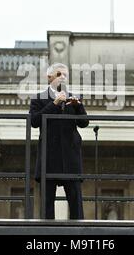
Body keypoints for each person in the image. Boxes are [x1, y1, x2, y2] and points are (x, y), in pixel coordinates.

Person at [29, 63, 89, 219]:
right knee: (47, 203)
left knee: (75, 202)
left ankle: (79, 234)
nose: (62, 77)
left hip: (70, 156)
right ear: (49, 78)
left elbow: (84, 123)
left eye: (65, 75)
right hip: (49, 156)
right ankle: (47, 234)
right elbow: (34, 121)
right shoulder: (38, 98)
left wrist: (78, 107)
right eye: (59, 74)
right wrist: (54, 103)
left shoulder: (73, 97)